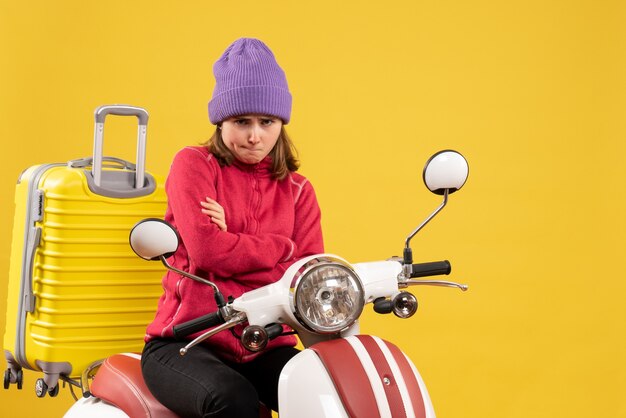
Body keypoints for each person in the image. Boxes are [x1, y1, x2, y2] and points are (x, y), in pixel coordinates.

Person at [140, 38, 324, 417]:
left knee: (324, 390)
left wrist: (234, 240)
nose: (255, 136)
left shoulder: (298, 190)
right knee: (233, 399)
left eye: (266, 122)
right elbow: (208, 252)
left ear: (281, 124)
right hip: (186, 343)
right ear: (221, 120)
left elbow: (305, 279)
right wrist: (280, 247)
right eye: (242, 122)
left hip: (264, 344)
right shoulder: (194, 165)